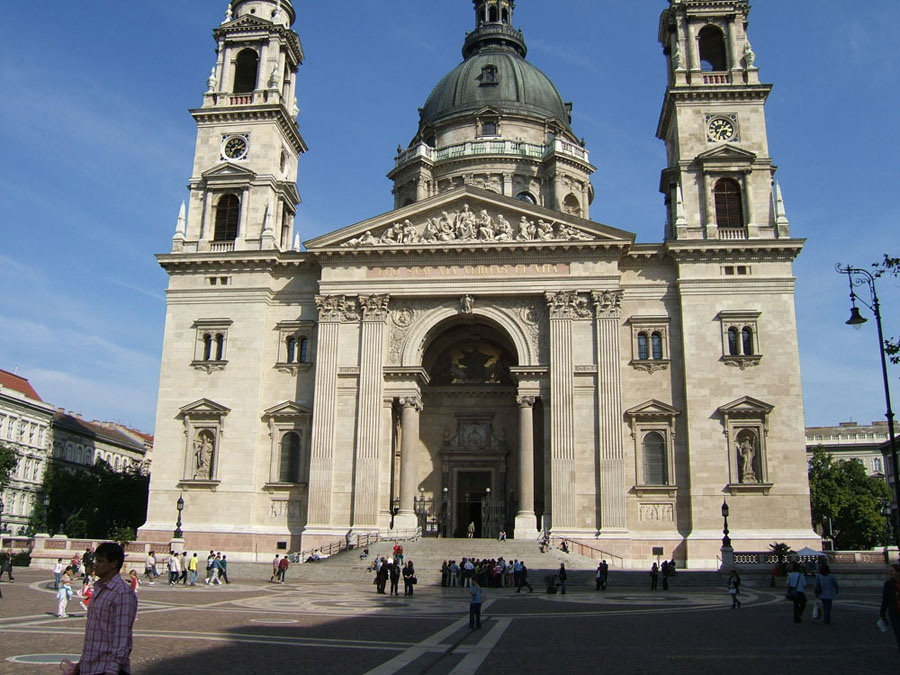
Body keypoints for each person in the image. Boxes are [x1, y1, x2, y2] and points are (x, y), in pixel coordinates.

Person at [66, 542, 138, 675]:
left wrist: (113, 670)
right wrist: (81, 664)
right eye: (95, 560)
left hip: (107, 669)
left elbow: (122, 637)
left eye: (100, 561)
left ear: (113, 563)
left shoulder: (122, 593)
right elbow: (95, 634)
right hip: (89, 667)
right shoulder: (99, 589)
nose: (95, 564)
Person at [879, 564, 900, 655]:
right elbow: (885, 600)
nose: (890, 573)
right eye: (889, 571)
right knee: (899, 634)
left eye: (892, 571)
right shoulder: (888, 584)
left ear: (898, 572)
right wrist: (882, 613)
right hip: (895, 613)